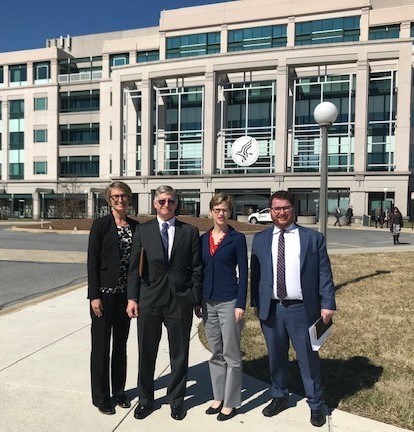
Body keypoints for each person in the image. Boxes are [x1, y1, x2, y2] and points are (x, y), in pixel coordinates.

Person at [250, 190, 335, 428]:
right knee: (276, 357)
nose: (281, 212)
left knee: (308, 358)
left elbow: (324, 274)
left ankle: (316, 404)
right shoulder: (261, 239)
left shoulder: (312, 238)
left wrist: (327, 303)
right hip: (272, 309)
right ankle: (279, 395)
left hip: (302, 309)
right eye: (276, 208)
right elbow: (255, 274)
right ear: (270, 211)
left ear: (292, 209)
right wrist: (255, 302)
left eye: (285, 207)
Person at [127, 185, 202, 421]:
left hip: (179, 301)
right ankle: (146, 400)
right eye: (162, 201)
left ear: (176, 204)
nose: (166, 205)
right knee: (146, 352)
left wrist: (193, 296)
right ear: (154, 204)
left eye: (170, 201)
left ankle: (177, 401)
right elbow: (132, 268)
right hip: (150, 299)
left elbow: (197, 267)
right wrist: (132, 297)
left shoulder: (189, 231)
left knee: (179, 353)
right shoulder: (143, 230)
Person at [87, 181, 138, 415]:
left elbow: (139, 265)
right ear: (109, 200)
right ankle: (100, 397)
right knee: (100, 348)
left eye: (124, 196)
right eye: (115, 196)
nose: (120, 200)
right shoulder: (100, 225)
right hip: (103, 298)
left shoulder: (136, 227)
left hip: (125, 299)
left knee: (120, 347)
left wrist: (135, 297)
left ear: (129, 199)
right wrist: (94, 295)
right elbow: (92, 262)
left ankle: (119, 391)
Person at [195, 193, 248, 421]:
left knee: (231, 354)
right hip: (208, 303)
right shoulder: (203, 239)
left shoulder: (236, 239)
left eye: (225, 209)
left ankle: (231, 401)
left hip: (229, 302)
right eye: (217, 209)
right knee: (216, 352)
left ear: (230, 212)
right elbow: (198, 271)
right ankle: (218, 397)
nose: (220, 213)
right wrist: (198, 300)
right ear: (210, 212)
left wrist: (240, 304)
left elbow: (244, 273)